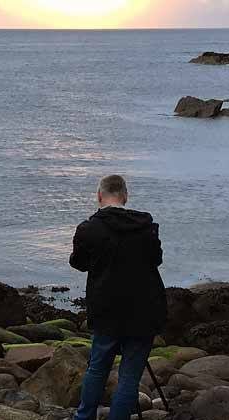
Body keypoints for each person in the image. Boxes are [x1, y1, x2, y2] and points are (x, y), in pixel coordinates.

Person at [69, 175, 168, 420]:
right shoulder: (146, 226)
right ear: (125, 196)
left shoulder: (89, 229)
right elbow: (156, 259)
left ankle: (84, 416)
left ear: (99, 196)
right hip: (144, 309)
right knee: (129, 376)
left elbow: (78, 263)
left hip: (106, 309)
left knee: (98, 367)